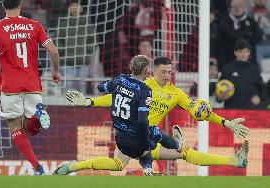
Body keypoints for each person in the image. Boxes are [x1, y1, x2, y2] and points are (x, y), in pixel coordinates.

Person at [56, 56, 249, 175]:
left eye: (170, 72)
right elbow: (113, 97)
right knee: (117, 164)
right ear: (153, 71)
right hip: (135, 133)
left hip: (148, 138)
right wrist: (90, 102)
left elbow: (199, 112)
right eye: (164, 72)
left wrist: (226, 123)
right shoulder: (143, 86)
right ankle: (72, 167)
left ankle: (235, 161)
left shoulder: (176, 93)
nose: (167, 75)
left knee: (184, 153)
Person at [0, 0, 61, 175]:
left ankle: (39, 168)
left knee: (16, 129)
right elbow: (54, 51)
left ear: (3, 7)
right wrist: (55, 72)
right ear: (21, 6)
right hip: (32, 83)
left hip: (9, 85)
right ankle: (39, 114)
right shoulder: (34, 25)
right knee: (30, 128)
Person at [55, 55, 160, 176]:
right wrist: (148, 139)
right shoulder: (145, 90)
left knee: (119, 164)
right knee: (155, 136)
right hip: (135, 137)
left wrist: (91, 98)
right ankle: (151, 168)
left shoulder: (120, 79)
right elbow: (142, 121)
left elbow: (102, 87)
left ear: (131, 67)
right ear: (147, 71)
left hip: (121, 137)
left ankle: (72, 167)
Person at [218, 39, 264, 108]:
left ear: (249, 52)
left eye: (246, 51)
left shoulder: (255, 70)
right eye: (240, 51)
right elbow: (219, 88)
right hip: (231, 109)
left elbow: (262, 88)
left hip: (251, 110)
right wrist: (220, 97)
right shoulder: (227, 69)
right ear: (235, 53)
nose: (243, 54)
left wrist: (259, 97)